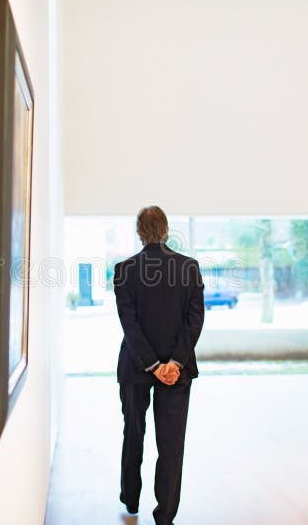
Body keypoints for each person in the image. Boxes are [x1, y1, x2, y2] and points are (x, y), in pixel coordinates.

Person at [114, 206, 205, 525]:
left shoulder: (124, 270)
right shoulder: (189, 268)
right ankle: (165, 514)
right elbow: (194, 321)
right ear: (167, 231)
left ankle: (131, 498)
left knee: (133, 434)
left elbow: (131, 326)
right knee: (171, 443)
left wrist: (152, 365)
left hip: (135, 368)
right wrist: (174, 363)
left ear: (140, 233)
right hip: (177, 372)